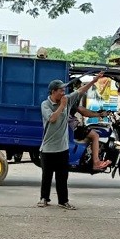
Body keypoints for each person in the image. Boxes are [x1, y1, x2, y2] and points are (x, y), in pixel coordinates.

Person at [38, 73, 104, 210]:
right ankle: (44, 198)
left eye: (64, 90)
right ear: (53, 92)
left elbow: (81, 90)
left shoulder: (67, 99)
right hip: (48, 148)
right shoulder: (45, 104)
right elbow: (52, 119)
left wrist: (94, 80)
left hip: (62, 148)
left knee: (62, 177)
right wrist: (62, 106)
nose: (63, 92)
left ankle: (63, 201)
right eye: (61, 90)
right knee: (47, 176)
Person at [70, 95, 113, 171]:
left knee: (91, 130)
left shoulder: (71, 98)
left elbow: (83, 110)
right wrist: (99, 114)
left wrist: (97, 113)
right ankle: (96, 163)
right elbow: (84, 111)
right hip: (72, 127)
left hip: (72, 125)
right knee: (95, 135)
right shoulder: (71, 99)